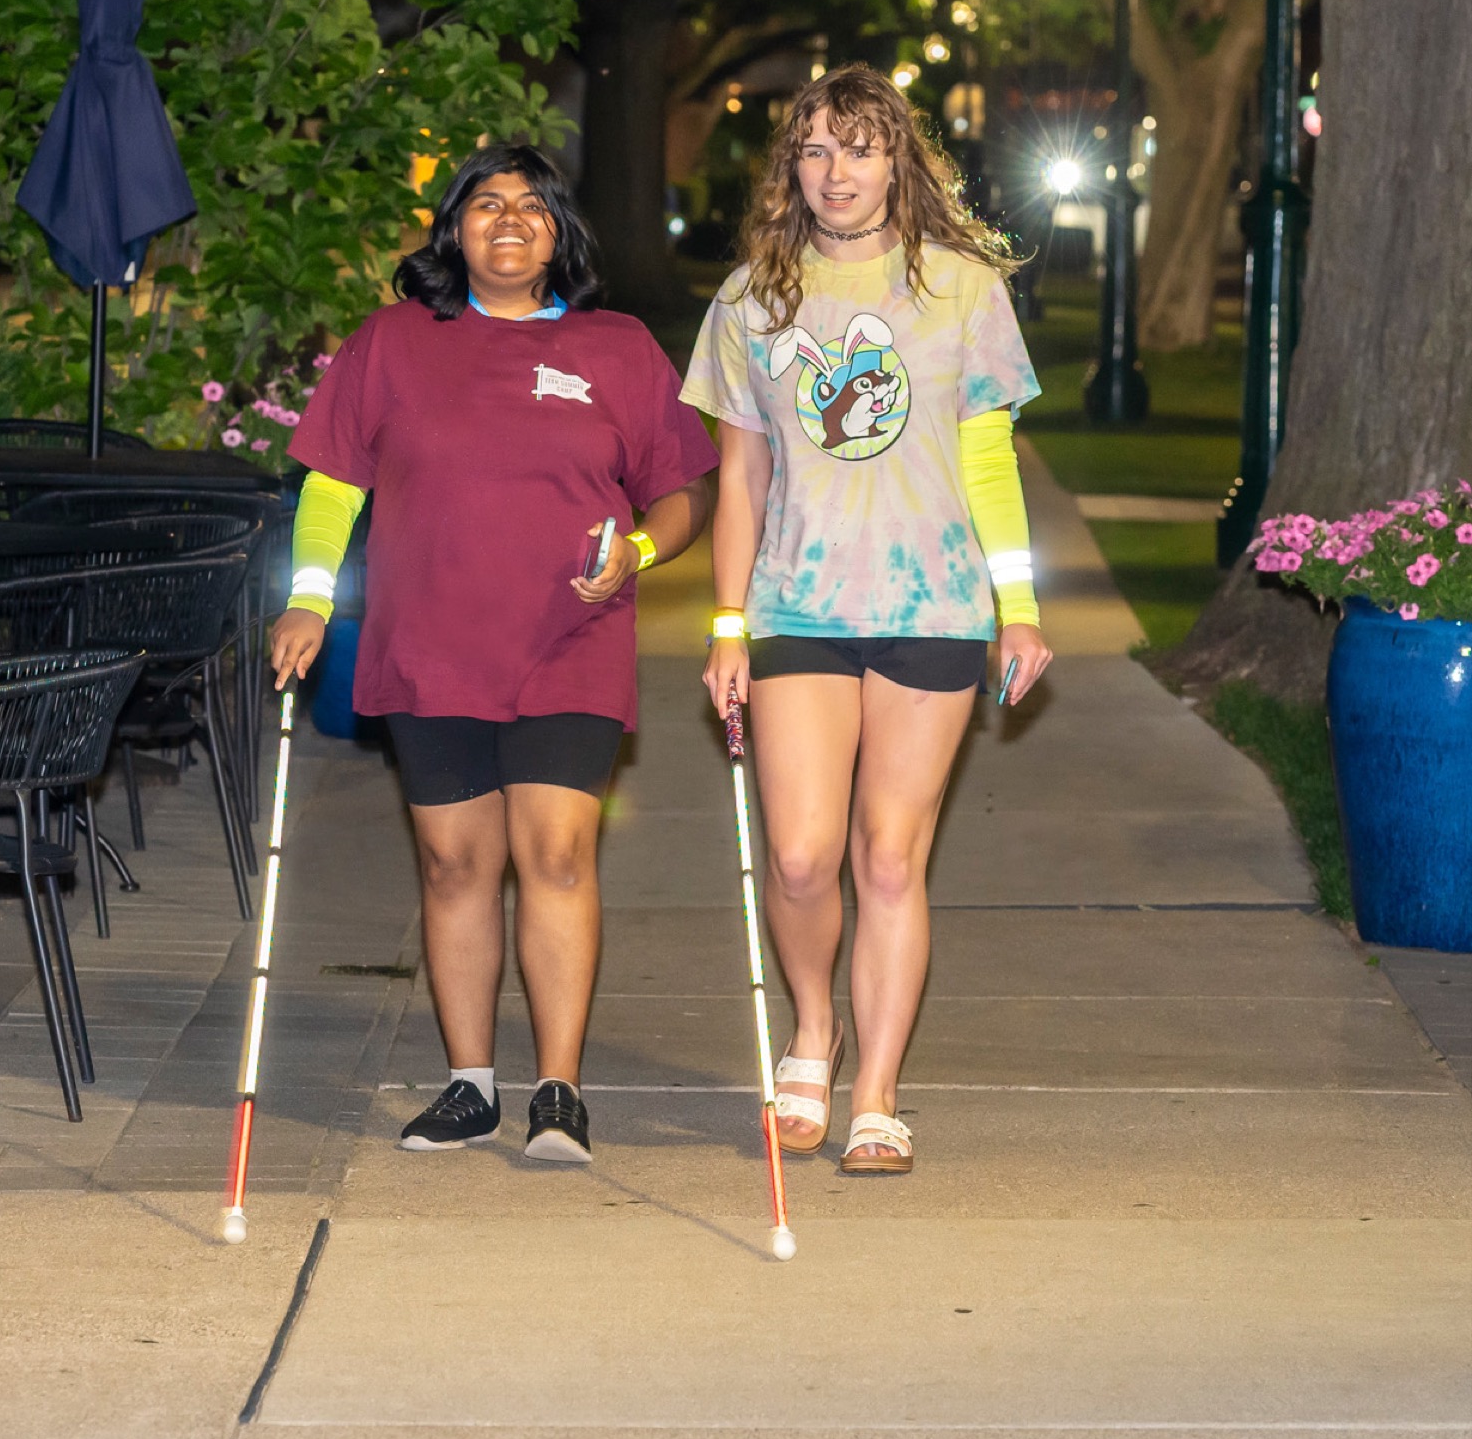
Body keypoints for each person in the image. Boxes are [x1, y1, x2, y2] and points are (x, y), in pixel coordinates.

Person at [271, 143, 716, 1163]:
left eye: (530, 205)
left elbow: (685, 490)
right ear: (453, 230)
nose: (507, 219)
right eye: (484, 204)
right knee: (451, 863)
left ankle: (558, 1088)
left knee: (556, 854)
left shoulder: (616, 347)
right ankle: (470, 1084)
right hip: (428, 644)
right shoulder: (391, 341)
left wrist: (640, 550)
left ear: (560, 231)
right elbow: (333, 483)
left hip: (570, 640)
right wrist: (306, 600)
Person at [682, 64, 1051, 1175]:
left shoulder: (962, 288)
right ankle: (814, 1029)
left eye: (859, 147)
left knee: (889, 857)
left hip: (932, 604)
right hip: (798, 602)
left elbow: (987, 458)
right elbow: (738, 480)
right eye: (815, 150)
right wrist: (729, 623)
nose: (836, 172)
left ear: (900, 161)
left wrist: (1018, 607)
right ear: (790, 169)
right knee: (800, 859)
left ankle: (877, 1095)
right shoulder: (753, 299)